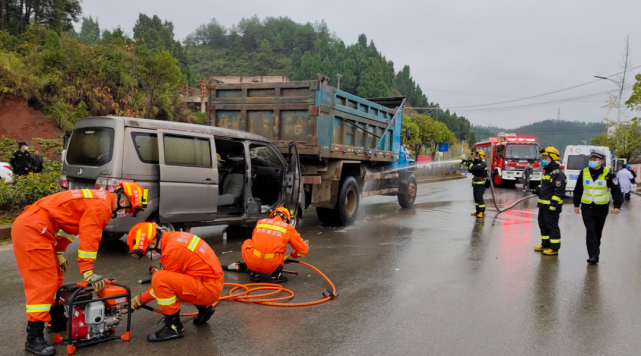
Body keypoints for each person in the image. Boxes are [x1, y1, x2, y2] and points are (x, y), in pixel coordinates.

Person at [11, 182, 146, 356]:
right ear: (124, 199)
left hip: (39, 225)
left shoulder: (98, 200)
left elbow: (70, 228)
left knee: (56, 277)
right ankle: (33, 337)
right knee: (43, 282)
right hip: (34, 228)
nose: (126, 212)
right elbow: (90, 237)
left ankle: (55, 321)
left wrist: (59, 251)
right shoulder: (102, 206)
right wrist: (87, 271)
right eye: (129, 208)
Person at [126, 223, 224, 342]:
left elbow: (162, 286)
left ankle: (173, 327)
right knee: (168, 277)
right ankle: (205, 308)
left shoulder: (171, 252)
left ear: (152, 243)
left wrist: (139, 300)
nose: (147, 255)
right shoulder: (172, 237)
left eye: (146, 252)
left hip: (208, 290)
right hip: (210, 282)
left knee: (159, 279)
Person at [573, 150, 623, 264]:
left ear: (601, 161)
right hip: (586, 207)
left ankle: (595, 252)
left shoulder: (608, 173)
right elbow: (578, 189)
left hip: (601, 207)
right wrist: (576, 204)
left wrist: (617, 205)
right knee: (590, 230)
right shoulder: (584, 172)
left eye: (594, 160)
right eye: (590, 159)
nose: (591, 161)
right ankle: (593, 255)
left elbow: (616, 190)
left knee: (597, 231)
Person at [242, 207, 308, 283]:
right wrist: (291, 256)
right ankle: (276, 275)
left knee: (248, 242)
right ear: (286, 219)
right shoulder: (288, 228)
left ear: (272, 215)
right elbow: (304, 250)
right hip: (271, 265)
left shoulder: (260, 222)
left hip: (253, 263)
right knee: (282, 247)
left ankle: (255, 273)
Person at [532, 146, 566, 256]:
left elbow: (558, 191)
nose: (543, 160)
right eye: (543, 158)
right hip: (543, 205)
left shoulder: (558, 174)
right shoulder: (547, 172)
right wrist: (537, 190)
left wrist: (553, 205)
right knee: (543, 225)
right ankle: (545, 244)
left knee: (552, 226)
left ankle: (554, 248)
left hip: (551, 206)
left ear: (553, 158)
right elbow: (544, 185)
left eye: (546, 158)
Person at [469, 151, 488, 218]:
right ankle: (477, 211)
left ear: (480, 156)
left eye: (477, 155)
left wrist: (471, 165)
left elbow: (475, 168)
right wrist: (468, 164)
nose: (475, 156)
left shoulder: (482, 164)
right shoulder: (476, 163)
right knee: (476, 198)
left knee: (479, 198)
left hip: (480, 184)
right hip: (475, 184)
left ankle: (481, 212)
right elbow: (471, 170)